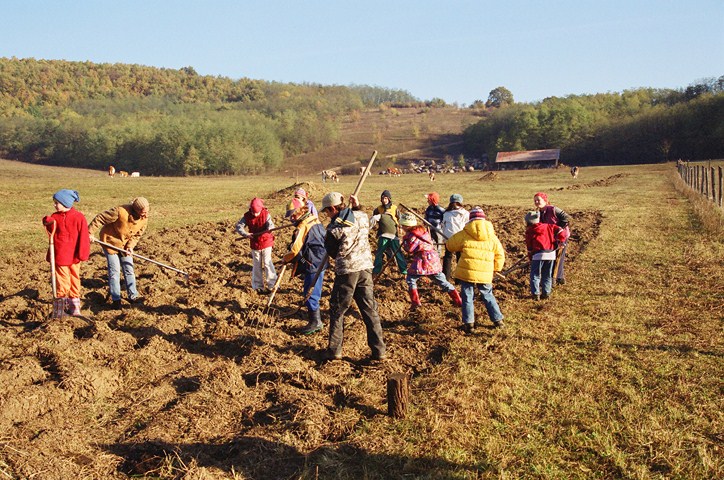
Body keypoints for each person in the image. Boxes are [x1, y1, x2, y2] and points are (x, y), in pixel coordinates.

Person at [321, 191, 386, 361]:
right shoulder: (362, 217)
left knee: (337, 309)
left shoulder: (334, 228)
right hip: (365, 269)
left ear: (333, 208)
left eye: (327, 211)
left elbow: (332, 252)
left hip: (347, 272)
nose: (327, 215)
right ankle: (379, 351)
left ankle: (334, 351)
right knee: (369, 309)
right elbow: (360, 214)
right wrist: (357, 205)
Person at [445, 207, 505, 333]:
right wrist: (496, 268)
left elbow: (450, 246)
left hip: (467, 272)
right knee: (488, 295)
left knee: (467, 297)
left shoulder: (464, 233)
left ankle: (469, 324)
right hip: (485, 273)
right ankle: (498, 320)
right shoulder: (492, 236)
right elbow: (500, 254)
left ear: (470, 219)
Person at [88, 197, 149, 309]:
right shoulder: (120, 211)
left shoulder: (144, 219)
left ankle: (133, 295)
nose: (145, 214)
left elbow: (137, 236)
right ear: (136, 209)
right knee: (114, 271)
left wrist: (130, 247)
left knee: (129, 268)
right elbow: (100, 218)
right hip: (110, 243)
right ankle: (116, 299)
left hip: (125, 246)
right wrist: (89, 232)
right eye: (143, 211)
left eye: (146, 211)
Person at [42, 189, 90, 318]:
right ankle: (61, 309)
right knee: (62, 281)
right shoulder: (55, 217)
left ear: (65, 203)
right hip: (60, 256)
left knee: (75, 279)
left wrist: (83, 253)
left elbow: (84, 236)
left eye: (57, 202)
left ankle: (74, 307)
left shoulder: (79, 217)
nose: (54, 205)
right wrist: (47, 221)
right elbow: (50, 228)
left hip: (74, 256)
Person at [400, 212, 462, 311]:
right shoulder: (422, 231)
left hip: (423, 260)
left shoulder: (412, 235)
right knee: (442, 281)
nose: (402, 227)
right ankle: (458, 301)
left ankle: (416, 303)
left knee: (411, 279)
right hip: (432, 260)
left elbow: (410, 249)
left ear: (407, 226)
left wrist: (405, 240)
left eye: (403, 225)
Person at [282, 201, 327, 335]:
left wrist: (286, 258)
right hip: (322, 260)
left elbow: (295, 250)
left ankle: (315, 322)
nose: (292, 219)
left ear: (300, 212)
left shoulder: (303, 226)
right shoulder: (314, 220)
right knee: (314, 290)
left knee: (310, 292)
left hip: (313, 262)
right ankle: (315, 319)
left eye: (293, 215)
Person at [235, 197, 278, 294]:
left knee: (267, 262)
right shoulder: (247, 216)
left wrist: (269, 228)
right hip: (255, 243)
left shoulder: (266, 214)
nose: (255, 214)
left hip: (266, 241)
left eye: (257, 213)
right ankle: (258, 286)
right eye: (253, 213)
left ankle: (272, 284)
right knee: (257, 264)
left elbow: (271, 225)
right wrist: (245, 234)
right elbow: (239, 226)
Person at [524, 211, 568, 300]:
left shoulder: (530, 231)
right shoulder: (549, 226)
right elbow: (561, 231)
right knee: (547, 274)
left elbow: (529, 246)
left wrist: (530, 257)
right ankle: (546, 293)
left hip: (538, 255)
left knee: (535, 275)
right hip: (551, 254)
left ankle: (536, 294)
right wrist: (561, 241)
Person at [533, 192, 572, 285]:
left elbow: (566, 218)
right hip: (551, 237)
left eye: (539, 200)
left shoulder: (553, 209)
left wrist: (557, 229)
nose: (537, 202)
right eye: (535, 201)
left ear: (545, 200)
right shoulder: (539, 212)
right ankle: (559, 278)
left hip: (562, 236)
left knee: (558, 257)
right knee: (552, 257)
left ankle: (554, 278)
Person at [371, 190, 407, 276]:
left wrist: (401, 227)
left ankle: (404, 271)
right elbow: (374, 218)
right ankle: (376, 271)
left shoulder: (394, 208)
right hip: (383, 233)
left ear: (389, 199)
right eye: (383, 198)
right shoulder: (379, 209)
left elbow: (400, 218)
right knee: (379, 253)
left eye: (386, 198)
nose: (384, 200)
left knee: (398, 253)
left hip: (393, 233)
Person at [441, 193, 469, 281]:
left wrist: (444, 238)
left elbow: (443, 226)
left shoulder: (446, 213)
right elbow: (467, 226)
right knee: (460, 258)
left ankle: (446, 278)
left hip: (448, 238)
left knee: (447, 257)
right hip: (460, 238)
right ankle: (459, 279)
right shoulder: (465, 213)